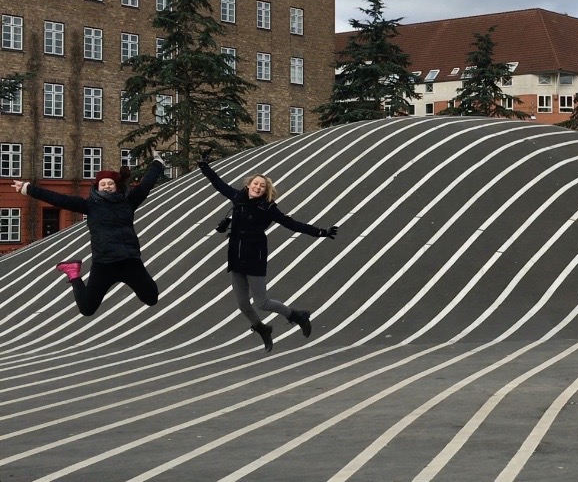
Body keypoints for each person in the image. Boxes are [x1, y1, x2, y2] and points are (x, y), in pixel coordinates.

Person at [199, 152, 338, 352]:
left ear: (266, 190)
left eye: (262, 186)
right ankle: (262, 329)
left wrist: (320, 232)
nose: (258, 187)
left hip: (254, 256)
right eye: (255, 184)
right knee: (243, 305)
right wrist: (204, 166)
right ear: (248, 185)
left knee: (262, 302)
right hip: (236, 256)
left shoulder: (268, 208)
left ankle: (297, 316)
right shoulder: (238, 197)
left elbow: (292, 224)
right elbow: (218, 183)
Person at [11, 149, 166, 317]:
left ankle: (77, 272)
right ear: (97, 187)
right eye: (103, 184)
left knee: (152, 298)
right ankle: (73, 273)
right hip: (104, 263)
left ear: (116, 186)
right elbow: (59, 199)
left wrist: (157, 163)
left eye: (110, 183)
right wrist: (28, 189)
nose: (107, 186)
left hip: (130, 261)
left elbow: (146, 185)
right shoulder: (90, 205)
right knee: (86, 309)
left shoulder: (128, 202)